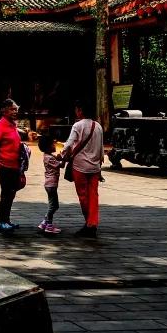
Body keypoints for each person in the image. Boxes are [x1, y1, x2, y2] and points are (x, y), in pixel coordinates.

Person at [62, 101, 105, 236]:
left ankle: (89, 223)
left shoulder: (78, 125)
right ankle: (92, 223)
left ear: (80, 110)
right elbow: (101, 148)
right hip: (95, 167)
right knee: (94, 195)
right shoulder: (98, 126)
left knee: (83, 195)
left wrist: (62, 156)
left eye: (77, 109)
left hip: (79, 166)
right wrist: (99, 163)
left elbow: (69, 144)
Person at [0, 98, 22, 233]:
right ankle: (1, 222)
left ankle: (7, 220)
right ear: (4, 110)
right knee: (6, 192)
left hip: (15, 164)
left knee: (11, 192)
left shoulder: (12, 124)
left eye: (16, 109)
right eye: (12, 109)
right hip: (4, 164)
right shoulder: (0, 125)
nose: (15, 112)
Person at [37, 134, 62, 234]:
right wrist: (65, 158)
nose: (54, 145)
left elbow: (57, 159)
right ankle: (49, 225)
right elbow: (61, 165)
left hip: (50, 184)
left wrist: (60, 157)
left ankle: (45, 223)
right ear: (48, 147)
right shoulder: (49, 158)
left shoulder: (48, 156)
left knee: (54, 205)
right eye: (53, 144)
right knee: (53, 206)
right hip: (51, 185)